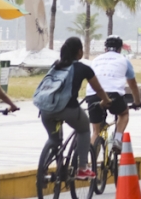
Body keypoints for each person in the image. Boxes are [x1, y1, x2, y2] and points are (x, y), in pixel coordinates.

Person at [40, 37, 112, 181]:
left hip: (45, 109)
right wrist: (106, 100)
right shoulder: (83, 68)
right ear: (79, 52)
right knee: (84, 128)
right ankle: (82, 168)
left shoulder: (56, 65)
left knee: (54, 139)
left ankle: (42, 168)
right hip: (67, 109)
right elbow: (97, 88)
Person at [88, 35, 141, 148]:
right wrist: (137, 102)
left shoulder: (96, 60)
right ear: (120, 49)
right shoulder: (124, 60)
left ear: (105, 48)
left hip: (92, 95)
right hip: (114, 95)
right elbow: (133, 84)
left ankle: (90, 161)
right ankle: (117, 140)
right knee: (123, 113)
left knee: (95, 132)